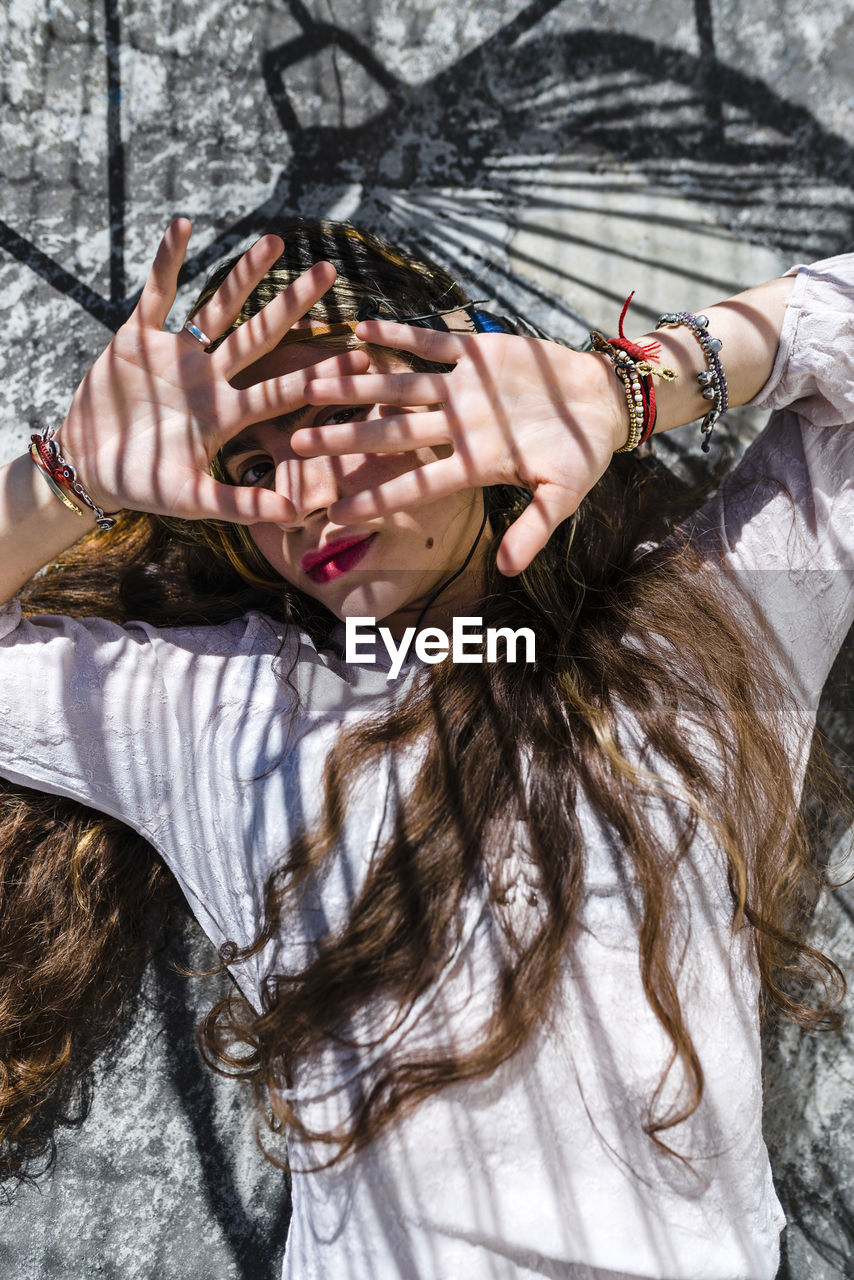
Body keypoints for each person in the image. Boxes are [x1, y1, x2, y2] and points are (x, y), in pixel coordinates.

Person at [0, 215, 851, 1280]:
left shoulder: (709, 625)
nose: (301, 496)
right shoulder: (220, 711)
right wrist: (65, 483)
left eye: (343, 420)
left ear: (470, 376)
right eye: (252, 460)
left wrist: (626, 389)